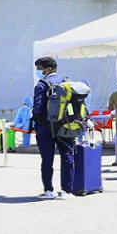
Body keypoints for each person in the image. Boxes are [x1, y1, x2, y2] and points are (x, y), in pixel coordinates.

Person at [32, 57, 77, 198]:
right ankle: (66, 191)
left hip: (46, 128)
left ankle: (48, 190)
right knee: (67, 157)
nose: (38, 72)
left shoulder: (42, 84)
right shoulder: (66, 83)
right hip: (65, 126)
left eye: (40, 69)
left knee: (47, 159)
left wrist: (36, 119)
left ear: (49, 69)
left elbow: (38, 108)